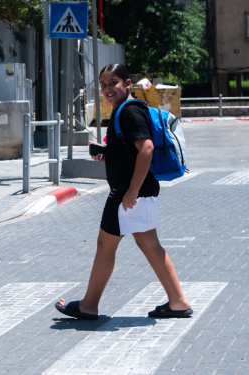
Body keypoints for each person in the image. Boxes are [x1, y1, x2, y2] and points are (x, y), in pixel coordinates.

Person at [56, 63, 193, 319]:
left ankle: (88, 305)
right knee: (149, 244)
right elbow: (132, 152)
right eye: (104, 84)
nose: (108, 89)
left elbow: (147, 148)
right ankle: (178, 301)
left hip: (127, 194)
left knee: (105, 246)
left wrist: (131, 191)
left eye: (114, 83)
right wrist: (108, 154)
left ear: (128, 83)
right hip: (143, 189)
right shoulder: (129, 110)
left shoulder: (128, 112)